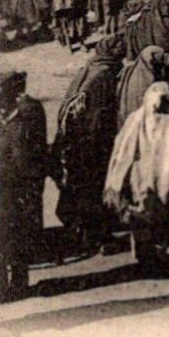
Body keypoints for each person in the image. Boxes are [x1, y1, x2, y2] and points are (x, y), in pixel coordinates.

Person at [103, 81, 169, 273]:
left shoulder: (133, 119)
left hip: (137, 179)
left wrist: (117, 179)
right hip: (162, 180)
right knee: (161, 215)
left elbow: (120, 150)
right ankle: (161, 256)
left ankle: (145, 258)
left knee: (140, 216)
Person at [52, 37, 127, 253]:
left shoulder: (91, 67)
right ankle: (96, 237)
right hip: (89, 141)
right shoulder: (104, 76)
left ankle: (81, 229)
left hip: (73, 138)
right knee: (93, 188)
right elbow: (98, 114)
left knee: (79, 187)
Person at [0, 71, 48, 301]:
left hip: (11, 190)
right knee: (10, 239)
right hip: (6, 190)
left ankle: (11, 288)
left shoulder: (20, 121)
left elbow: (21, 160)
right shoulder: (16, 117)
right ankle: (8, 287)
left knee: (10, 239)